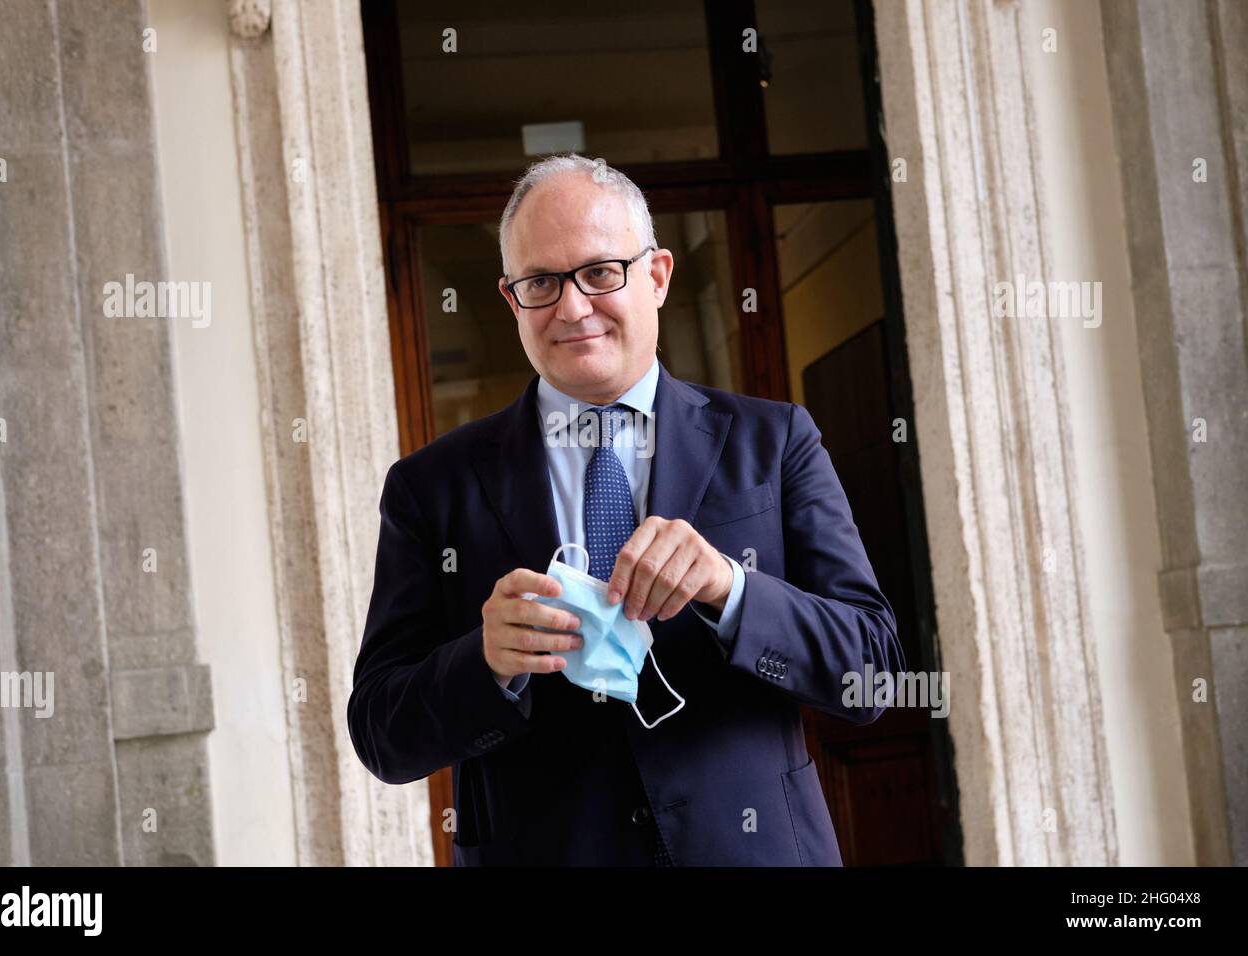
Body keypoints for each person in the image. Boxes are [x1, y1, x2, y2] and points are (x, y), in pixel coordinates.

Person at [347, 153, 903, 865]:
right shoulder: (433, 486)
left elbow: (875, 672)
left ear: (659, 275)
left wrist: (730, 589)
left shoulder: (774, 440)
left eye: (601, 272)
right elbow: (380, 734)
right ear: (512, 299)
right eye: (541, 283)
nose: (573, 308)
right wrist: (482, 661)